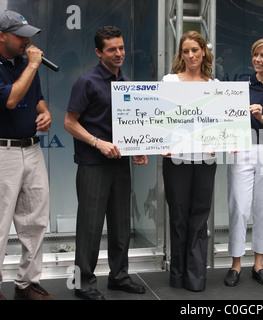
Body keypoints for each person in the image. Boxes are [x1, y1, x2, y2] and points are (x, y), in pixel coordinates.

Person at [64, 26, 148, 300]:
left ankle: (119, 276)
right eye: (112, 49)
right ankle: (83, 284)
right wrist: (97, 142)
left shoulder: (126, 82)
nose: (119, 53)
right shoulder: (86, 82)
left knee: (121, 222)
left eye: (121, 47)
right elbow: (69, 123)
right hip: (93, 163)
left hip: (120, 163)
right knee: (90, 226)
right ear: (99, 52)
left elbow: (129, 124)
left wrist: (137, 147)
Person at [224, 37, 263, 287]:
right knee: (238, 206)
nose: (257, 59)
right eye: (255, 54)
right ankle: (236, 264)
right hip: (242, 147)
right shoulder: (240, 85)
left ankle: (259, 263)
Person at [0, 9, 53, 301]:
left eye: (28, 37)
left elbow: (37, 99)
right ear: (2, 36)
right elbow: (10, 99)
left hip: (31, 148)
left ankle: (27, 284)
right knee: (0, 223)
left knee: (35, 220)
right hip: (2, 151)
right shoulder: (23, 65)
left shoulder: (24, 63)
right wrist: (32, 66)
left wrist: (45, 113)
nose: (25, 42)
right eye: (20, 37)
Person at [161, 30, 217, 292]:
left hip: (206, 160)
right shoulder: (169, 81)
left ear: (203, 52)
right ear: (180, 54)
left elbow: (221, 124)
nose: (191, 55)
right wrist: (160, 142)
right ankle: (177, 275)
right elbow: (160, 120)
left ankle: (196, 277)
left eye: (195, 50)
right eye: (186, 51)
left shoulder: (214, 85)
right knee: (178, 217)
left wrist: (223, 140)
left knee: (199, 218)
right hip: (176, 160)